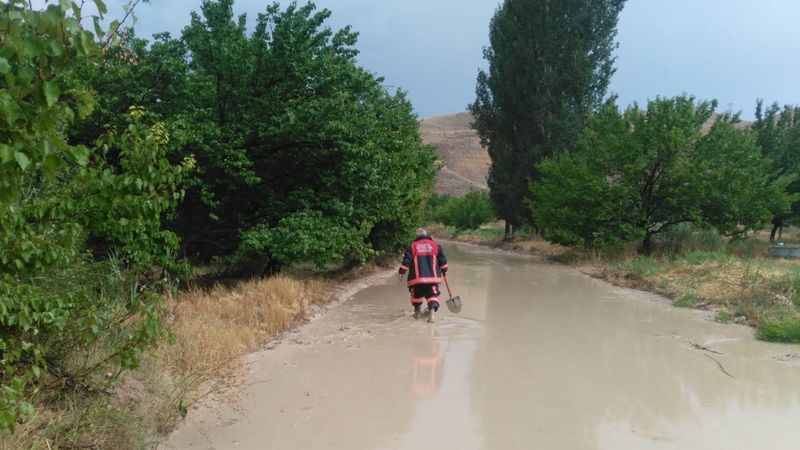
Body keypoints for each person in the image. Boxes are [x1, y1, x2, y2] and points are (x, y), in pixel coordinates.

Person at [399, 228, 448, 322]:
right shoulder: (436, 246)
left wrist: (401, 272)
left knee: (416, 297)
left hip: (417, 280)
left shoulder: (412, 246)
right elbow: (443, 262)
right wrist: (444, 270)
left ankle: (417, 313)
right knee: (432, 295)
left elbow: (406, 262)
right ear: (427, 235)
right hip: (432, 279)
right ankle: (432, 313)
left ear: (416, 236)